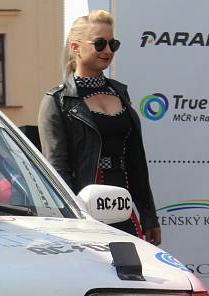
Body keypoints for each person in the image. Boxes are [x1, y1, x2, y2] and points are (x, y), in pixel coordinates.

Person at [38, 10, 161, 245]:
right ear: (75, 47)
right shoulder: (57, 101)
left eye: (113, 44)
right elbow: (57, 168)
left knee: (132, 273)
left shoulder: (120, 95)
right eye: (100, 43)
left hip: (123, 208)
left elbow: (136, 163)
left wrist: (149, 216)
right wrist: (75, 217)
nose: (107, 51)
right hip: (85, 209)